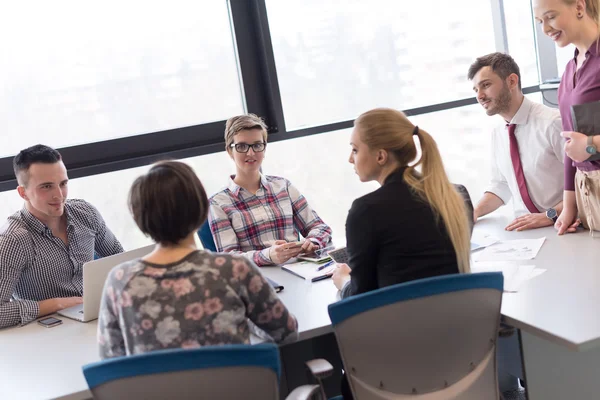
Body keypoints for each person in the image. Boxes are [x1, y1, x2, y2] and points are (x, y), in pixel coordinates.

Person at [97, 161, 298, 359]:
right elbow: (287, 332)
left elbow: (111, 360)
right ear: (201, 209)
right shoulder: (234, 269)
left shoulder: (120, 281)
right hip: (235, 391)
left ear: (140, 219)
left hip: (160, 393)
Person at [332, 108, 471, 299]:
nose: (350, 159)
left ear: (381, 156)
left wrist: (344, 282)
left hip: (402, 326)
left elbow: (361, 296)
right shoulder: (455, 196)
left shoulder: (366, 210)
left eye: (355, 150)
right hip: (460, 321)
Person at [0, 145, 123, 329]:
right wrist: (54, 304)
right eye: (47, 186)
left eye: (63, 184)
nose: (59, 195)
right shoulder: (13, 240)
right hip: (48, 334)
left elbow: (121, 261)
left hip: (97, 321)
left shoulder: (86, 213)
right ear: (23, 192)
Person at [208, 114, 333, 266]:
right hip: (258, 280)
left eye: (257, 145)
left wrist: (313, 241)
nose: (250, 153)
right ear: (229, 151)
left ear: (264, 148)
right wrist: (268, 255)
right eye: (241, 146)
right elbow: (229, 259)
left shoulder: (283, 187)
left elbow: (320, 227)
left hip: (300, 270)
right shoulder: (218, 203)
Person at [468, 52, 565, 231]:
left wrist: (549, 215)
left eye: (486, 85)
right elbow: (501, 185)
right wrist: (473, 212)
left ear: (512, 81)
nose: (480, 96)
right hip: (525, 232)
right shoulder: (498, 133)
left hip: (564, 225)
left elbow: (586, 185)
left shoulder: (552, 123)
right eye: (476, 90)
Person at [534, 0, 600, 235]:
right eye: (540, 21)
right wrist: (569, 207)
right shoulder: (570, 69)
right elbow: (570, 145)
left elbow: (584, 146)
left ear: (579, 8)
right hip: (587, 194)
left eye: (550, 17)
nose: (545, 29)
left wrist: (591, 146)